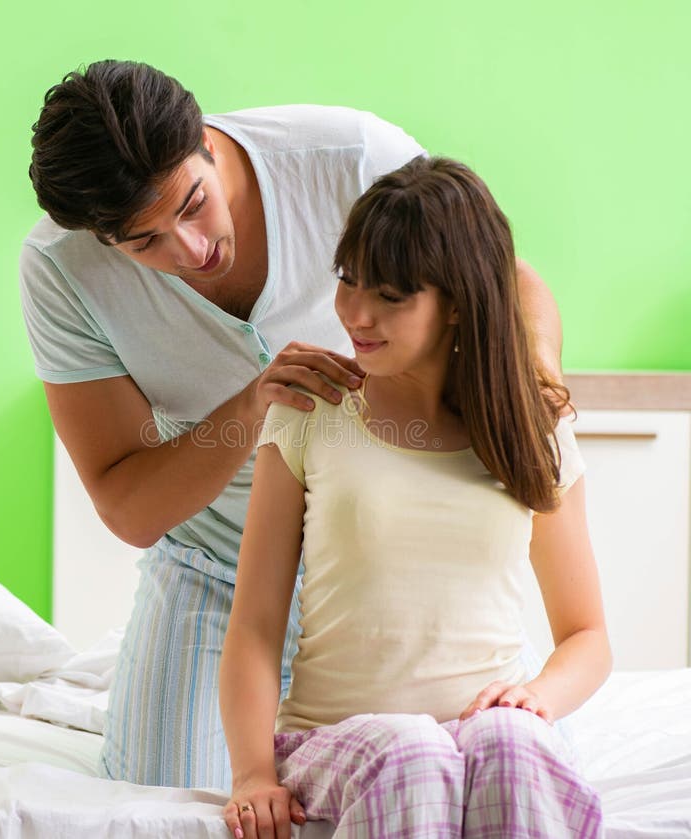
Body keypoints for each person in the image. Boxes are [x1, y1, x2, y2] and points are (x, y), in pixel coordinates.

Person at [21, 59, 566, 790]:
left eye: (192, 204)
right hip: (213, 569)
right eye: (143, 243)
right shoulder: (60, 271)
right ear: (98, 238)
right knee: (163, 802)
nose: (191, 252)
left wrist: (536, 387)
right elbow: (127, 504)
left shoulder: (352, 159)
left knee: (485, 770)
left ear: (208, 143)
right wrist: (250, 410)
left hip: (387, 562)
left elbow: (506, 282)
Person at [219, 155, 611, 838]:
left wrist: (536, 698)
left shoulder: (533, 428)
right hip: (337, 742)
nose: (356, 312)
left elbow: (588, 636)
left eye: (392, 294)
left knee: (511, 743)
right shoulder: (311, 411)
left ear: (458, 301)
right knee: (414, 750)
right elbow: (254, 623)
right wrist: (253, 773)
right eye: (348, 280)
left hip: (485, 739)